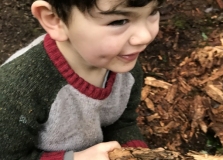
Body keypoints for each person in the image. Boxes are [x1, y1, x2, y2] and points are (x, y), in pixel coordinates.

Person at [0, 0, 162, 159]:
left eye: (153, 11)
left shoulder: (126, 69)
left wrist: (136, 153)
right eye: (119, 21)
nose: (145, 36)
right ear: (55, 19)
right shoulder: (14, 90)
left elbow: (121, 122)